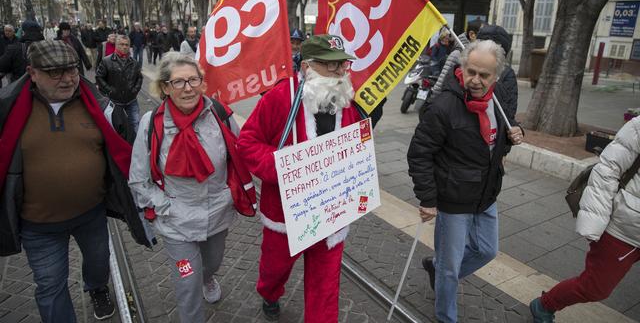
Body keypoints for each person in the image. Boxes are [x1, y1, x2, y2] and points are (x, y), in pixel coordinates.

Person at [0, 40, 153, 322]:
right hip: (37, 226)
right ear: (32, 73)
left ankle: (96, 288)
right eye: (55, 72)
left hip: (91, 215)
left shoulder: (100, 106)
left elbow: (127, 156)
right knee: (50, 287)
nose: (68, 78)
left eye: (71, 70)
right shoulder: (7, 110)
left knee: (98, 264)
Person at [237, 34, 380, 322]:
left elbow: (355, 150)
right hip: (286, 213)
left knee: (326, 284)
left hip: (331, 212)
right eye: (332, 66)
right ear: (307, 67)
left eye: (343, 65)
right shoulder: (280, 98)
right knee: (274, 268)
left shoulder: (347, 102)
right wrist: (286, 168)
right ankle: (270, 292)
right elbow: (247, 142)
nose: (340, 72)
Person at [128, 52, 255, 323]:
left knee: (211, 264)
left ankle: (208, 278)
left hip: (217, 213)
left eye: (193, 80)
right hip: (176, 222)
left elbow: (239, 156)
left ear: (202, 83)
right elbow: (138, 179)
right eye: (178, 82)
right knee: (187, 281)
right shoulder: (151, 125)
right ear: (164, 87)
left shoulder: (220, 114)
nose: (187, 88)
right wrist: (166, 206)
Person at [407, 40, 524, 323]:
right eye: (471, 72)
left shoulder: (498, 100)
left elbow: (496, 144)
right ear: (462, 68)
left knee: (487, 250)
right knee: (450, 268)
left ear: (496, 76)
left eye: (484, 75)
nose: (476, 80)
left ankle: (437, 268)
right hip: (453, 199)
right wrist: (428, 199)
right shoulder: (443, 106)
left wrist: (516, 134)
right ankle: (446, 315)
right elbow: (419, 154)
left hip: (486, 193)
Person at [529, 116, 640, 323]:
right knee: (595, 288)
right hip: (624, 229)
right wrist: (595, 225)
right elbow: (607, 170)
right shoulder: (638, 128)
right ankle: (545, 305)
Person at [96, 35, 143, 132]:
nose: (125, 47)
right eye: (122, 44)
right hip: (115, 100)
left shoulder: (134, 62)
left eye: (127, 44)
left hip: (131, 100)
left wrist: (135, 90)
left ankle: (135, 145)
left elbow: (139, 77)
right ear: (116, 45)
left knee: (135, 124)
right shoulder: (106, 61)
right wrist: (109, 90)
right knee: (116, 127)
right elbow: (99, 77)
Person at [430, 20, 484, 99]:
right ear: (472, 35)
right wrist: (433, 99)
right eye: (484, 35)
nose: (486, 39)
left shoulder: (482, 55)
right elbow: (440, 83)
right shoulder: (457, 54)